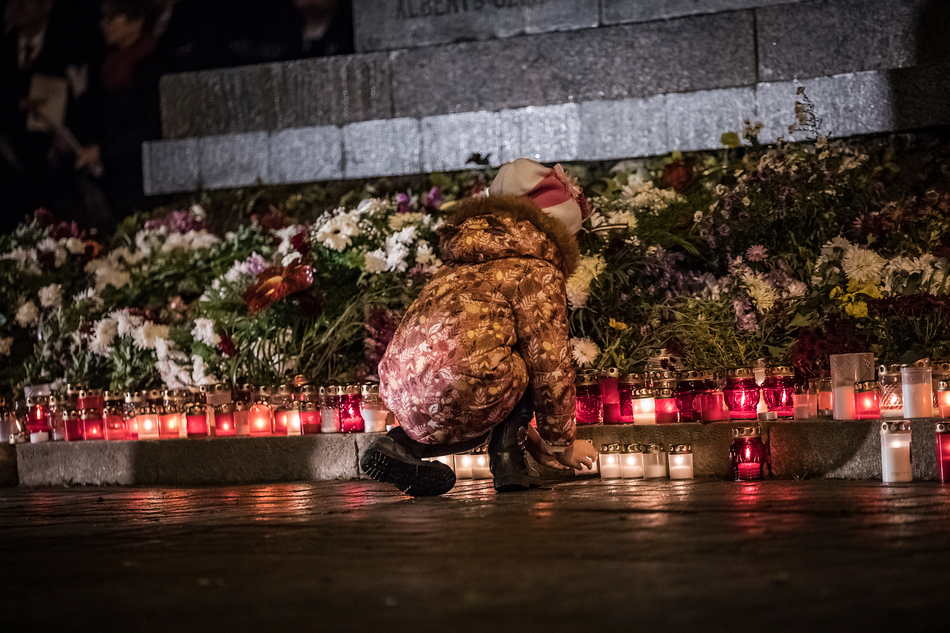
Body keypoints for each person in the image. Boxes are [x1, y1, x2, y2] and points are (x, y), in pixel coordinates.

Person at [361, 158, 601, 497]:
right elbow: (550, 364)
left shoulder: (459, 263)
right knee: (524, 354)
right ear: (558, 229)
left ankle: (397, 445)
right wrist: (562, 444)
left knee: (478, 371)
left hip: (402, 390)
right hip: (467, 384)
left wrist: (534, 439)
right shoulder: (536, 269)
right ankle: (507, 461)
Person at [97, 0, 162, 220]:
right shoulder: (110, 64)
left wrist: (104, 151)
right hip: (115, 174)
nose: (103, 24)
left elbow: (150, 125)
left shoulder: (151, 64)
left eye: (111, 18)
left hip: (142, 175)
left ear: (136, 21)